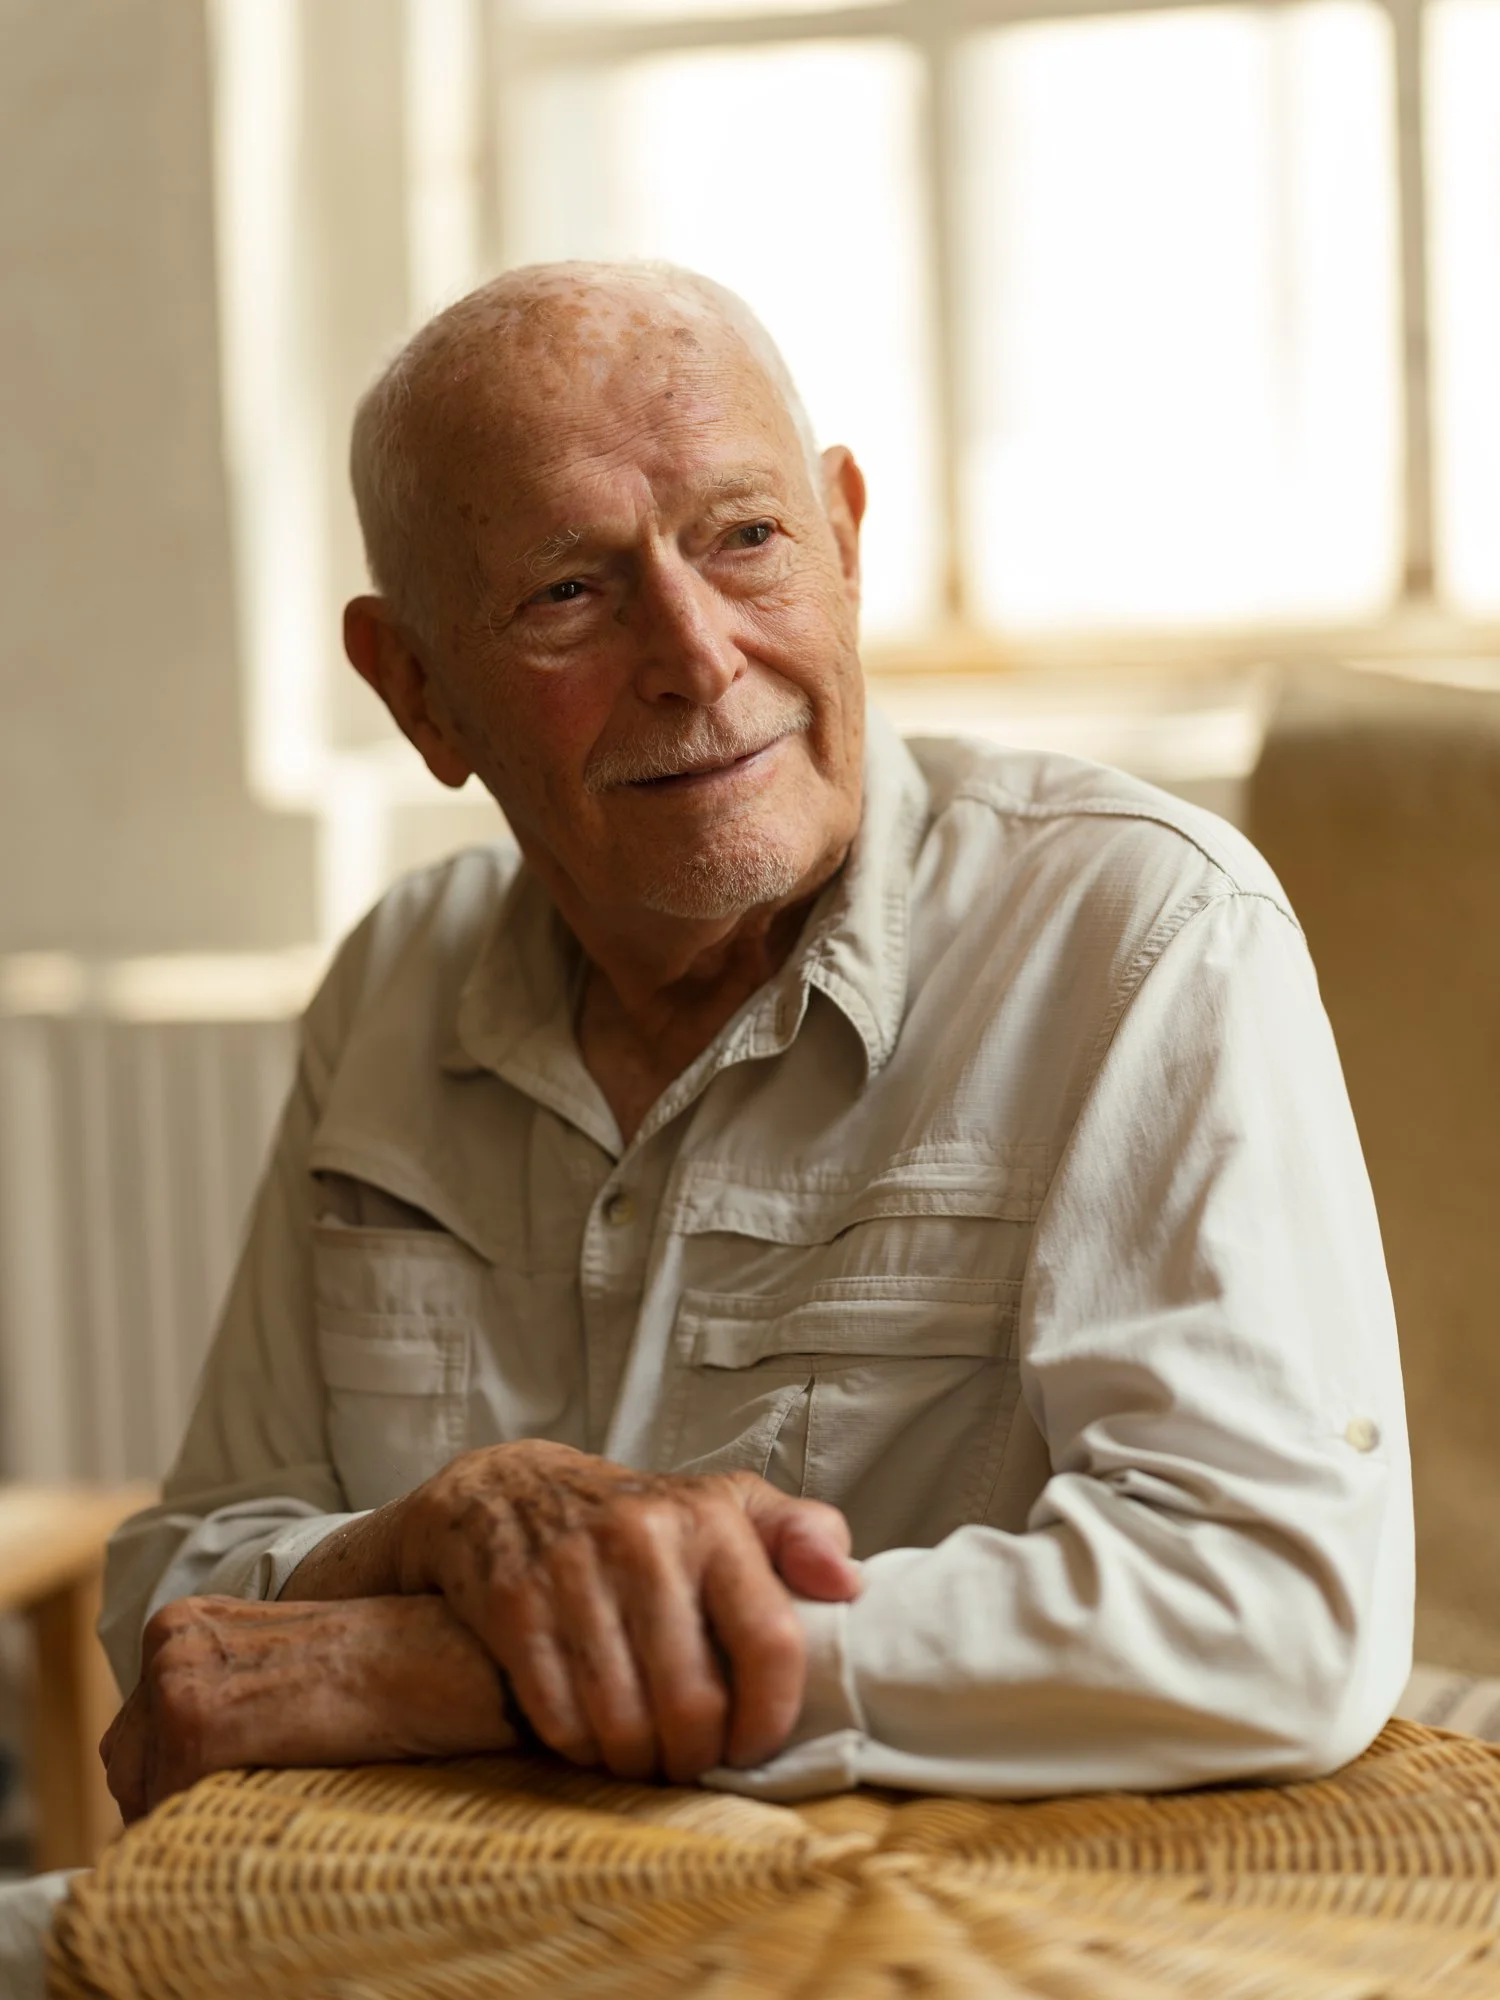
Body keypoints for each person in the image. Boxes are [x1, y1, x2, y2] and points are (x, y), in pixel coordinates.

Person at [96, 260, 1412, 1821]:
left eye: (747, 540)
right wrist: (437, 1528)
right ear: (418, 693)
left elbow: (1270, 1603)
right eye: (569, 592)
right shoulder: (398, 973)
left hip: (924, 1945)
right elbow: (183, 1591)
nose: (699, 653)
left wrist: (461, 1676)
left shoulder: (1140, 933)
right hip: (439, 1928)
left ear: (845, 545)